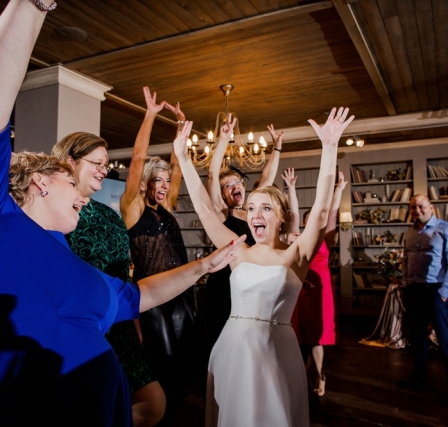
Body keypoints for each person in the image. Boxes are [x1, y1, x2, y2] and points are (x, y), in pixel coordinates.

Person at [0, 1, 244, 425]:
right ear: (40, 181)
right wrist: (34, 6)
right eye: (72, 184)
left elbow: (138, 296)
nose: (84, 196)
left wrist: (205, 264)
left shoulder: (68, 257)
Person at [174, 108, 354, 426]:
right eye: (252, 208)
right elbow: (204, 209)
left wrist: (329, 148)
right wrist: (184, 158)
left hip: (277, 352)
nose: (255, 214)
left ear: (281, 217)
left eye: (266, 208)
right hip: (232, 348)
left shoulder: (297, 255)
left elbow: (322, 209)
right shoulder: (237, 250)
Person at [51, 114, 165, 424]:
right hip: (83, 327)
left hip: (121, 323)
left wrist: (134, 320)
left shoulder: (108, 214)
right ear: (70, 161)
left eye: (106, 164)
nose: (105, 169)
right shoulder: (54, 214)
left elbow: (122, 273)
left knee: (152, 403)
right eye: (97, 163)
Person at [119, 92, 195, 426]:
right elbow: (138, 158)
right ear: (144, 183)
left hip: (183, 295)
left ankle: (168, 417)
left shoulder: (167, 205)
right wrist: (150, 114)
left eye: (166, 181)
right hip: (153, 299)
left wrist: (181, 126)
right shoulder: (133, 208)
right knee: (162, 364)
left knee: (186, 367)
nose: (164, 185)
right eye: (157, 180)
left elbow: (177, 165)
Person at [203, 122, 284, 352]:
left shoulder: (252, 210)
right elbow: (212, 175)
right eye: (227, 186)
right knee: (224, 340)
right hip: (224, 283)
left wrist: (276, 148)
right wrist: (223, 140)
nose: (233, 187)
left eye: (236, 182)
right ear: (223, 194)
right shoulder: (222, 212)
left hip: (250, 281)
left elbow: (266, 177)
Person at [397, 194, 448, 405]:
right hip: (414, 290)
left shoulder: (447, 229)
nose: (417, 210)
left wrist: (445, 292)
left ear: (431, 207)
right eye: (413, 207)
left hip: (436, 290)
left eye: (421, 206)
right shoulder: (409, 232)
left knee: (446, 340)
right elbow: (406, 259)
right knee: (417, 338)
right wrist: (405, 283)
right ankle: (419, 378)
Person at [292, 171, 347, 398]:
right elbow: (293, 213)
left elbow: (332, 213)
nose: (311, 220)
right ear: (305, 222)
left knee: (317, 334)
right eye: (308, 218)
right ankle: (306, 371)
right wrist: (291, 188)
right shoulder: (297, 237)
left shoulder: (327, 237)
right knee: (302, 333)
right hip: (301, 289)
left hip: (321, 289)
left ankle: (320, 374)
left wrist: (339, 190)